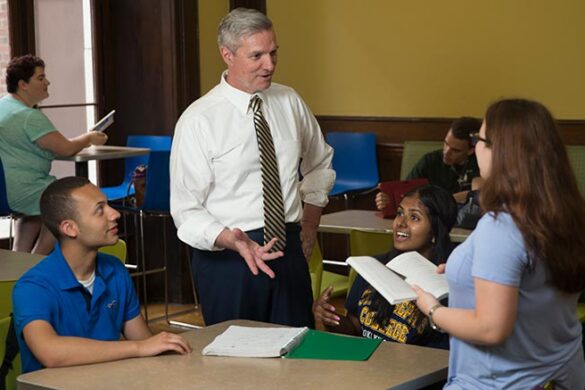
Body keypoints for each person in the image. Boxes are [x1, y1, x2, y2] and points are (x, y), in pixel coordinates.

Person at [170, 8, 334, 327]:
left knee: (300, 353)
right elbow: (186, 210)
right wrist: (233, 241)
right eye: (257, 55)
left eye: (273, 53)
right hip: (228, 256)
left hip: (289, 245)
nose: (269, 65)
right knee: (237, 366)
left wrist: (310, 223)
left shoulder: (289, 101)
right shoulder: (199, 119)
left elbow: (320, 161)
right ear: (227, 54)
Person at [414, 99, 585, 389]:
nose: (475, 147)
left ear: (501, 152)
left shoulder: (503, 226)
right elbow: (534, 282)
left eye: (477, 139)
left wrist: (432, 310)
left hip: (499, 379)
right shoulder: (566, 211)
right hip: (561, 370)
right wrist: (462, 269)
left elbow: (491, 328)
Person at [12, 177, 191, 373]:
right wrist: (138, 348)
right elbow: (50, 352)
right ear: (70, 228)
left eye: (108, 205)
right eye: (100, 210)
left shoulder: (115, 270)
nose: (115, 214)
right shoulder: (32, 286)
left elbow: (143, 340)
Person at [314, 185, 457, 349]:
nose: (401, 223)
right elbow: (356, 329)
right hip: (368, 368)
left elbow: (439, 358)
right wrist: (329, 317)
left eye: (414, 218)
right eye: (400, 213)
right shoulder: (374, 267)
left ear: (435, 231)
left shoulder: (445, 287)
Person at [0, 55, 107, 254]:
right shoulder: (28, 116)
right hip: (21, 189)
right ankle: (37, 258)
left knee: (35, 210)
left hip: (5, 190)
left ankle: (19, 258)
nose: (47, 82)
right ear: (23, 84)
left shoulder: (4, 106)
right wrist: (89, 137)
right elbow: (66, 148)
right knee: (63, 201)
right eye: (40, 78)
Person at [375, 117, 481, 209]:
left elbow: (480, 195)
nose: (446, 152)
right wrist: (388, 200)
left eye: (455, 150)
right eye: (446, 143)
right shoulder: (431, 160)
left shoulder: (481, 164)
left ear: (471, 150)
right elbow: (407, 193)